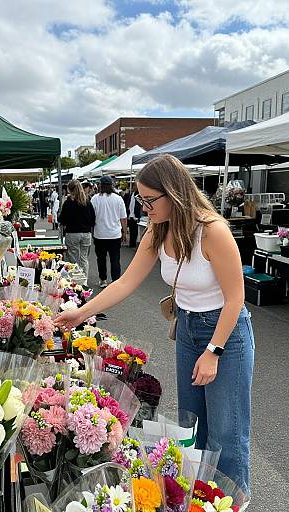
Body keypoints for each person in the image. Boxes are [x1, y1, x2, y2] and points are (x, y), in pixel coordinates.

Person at [55, 155, 254, 494]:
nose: (143, 207)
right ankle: (204, 497)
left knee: (227, 431)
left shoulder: (212, 231)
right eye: (141, 199)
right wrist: (81, 313)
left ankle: (235, 498)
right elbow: (124, 283)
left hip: (226, 334)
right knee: (194, 425)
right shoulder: (158, 230)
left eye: (149, 200)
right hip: (190, 330)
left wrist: (214, 351)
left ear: (173, 193)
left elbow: (235, 298)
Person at [91, 176, 128, 288]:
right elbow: (123, 218)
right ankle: (116, 281)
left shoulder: (95, 198)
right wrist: (124, 233)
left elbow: (92, 217)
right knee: (115, 258)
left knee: (101, 258)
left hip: (99, 234)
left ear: (100, 185)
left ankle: (103, 279)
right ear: (112, 185)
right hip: (115, 234)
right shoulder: (118, 199)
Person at [58, 180, 95, 284]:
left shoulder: (68, 202)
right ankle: (84, 282)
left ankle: (75, 282)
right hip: (86, 233)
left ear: (69, 189)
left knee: (73, 259)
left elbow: (62, 220)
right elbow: (93, 219)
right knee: (84, 258)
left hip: (72, 233)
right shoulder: (87, 201)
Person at [127, 183, 141, 248]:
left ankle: (134, 244)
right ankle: (131, 243)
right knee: (131, 230)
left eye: (133, 187)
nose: (131, 188)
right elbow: (129, 204)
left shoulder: (139, 195)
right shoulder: (131, 195)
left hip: (136, 216)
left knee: (135, 231)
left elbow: (139, 205)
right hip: (130, 215)